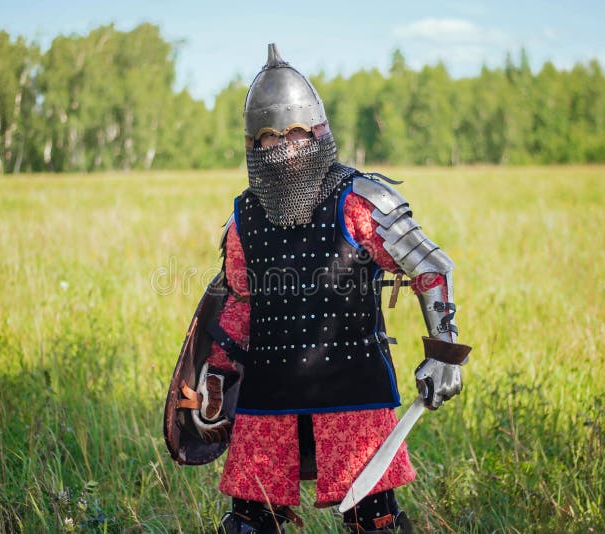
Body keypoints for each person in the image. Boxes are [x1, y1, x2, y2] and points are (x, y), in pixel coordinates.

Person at [192, 44, 470, 533]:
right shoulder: (246, 218)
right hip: (267, 394)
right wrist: (217, 374)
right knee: (248, 524)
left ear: (318, 131)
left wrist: (444, 352)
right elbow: (239, 305)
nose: (284, 144)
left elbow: (431, 267)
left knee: (374, 522)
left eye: (295, 132)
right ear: (252, 144)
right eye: (269, 135)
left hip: (352, 389)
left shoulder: (361, 201)